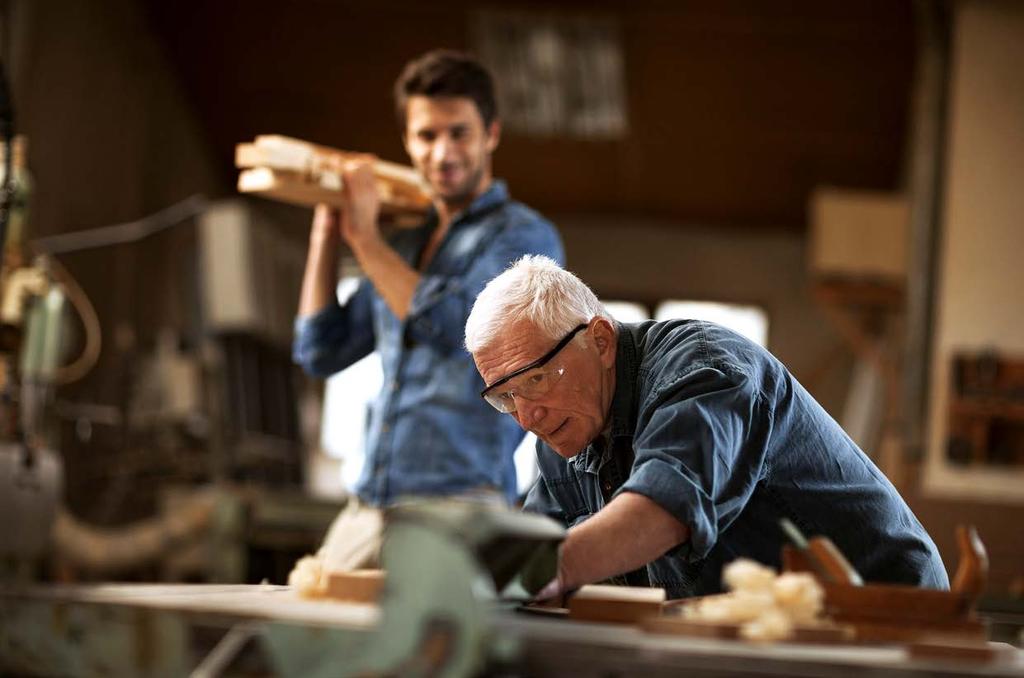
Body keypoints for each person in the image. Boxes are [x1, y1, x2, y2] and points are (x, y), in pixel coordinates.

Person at [464, 256, 948, 599]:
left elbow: (662, 511)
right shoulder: (566, 429)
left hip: (887, 614)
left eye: (537, 378)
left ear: (601, 340)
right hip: (773, 636)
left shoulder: (704, 369)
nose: (527, 418)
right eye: (506, 397)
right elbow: (538, 542)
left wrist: (527, 573)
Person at [294, 51, 564, 570]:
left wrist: (366, 241)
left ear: (492, 134)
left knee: (434, 651)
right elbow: (320, 350)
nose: (442, 153)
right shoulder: (402, 244)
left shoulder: (525, 236)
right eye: (426, 135)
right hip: (370, 506)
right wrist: (328, 234)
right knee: (314, 631)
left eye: (458, 133)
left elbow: (457, 327)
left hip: (462, 507)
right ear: (407, 142)